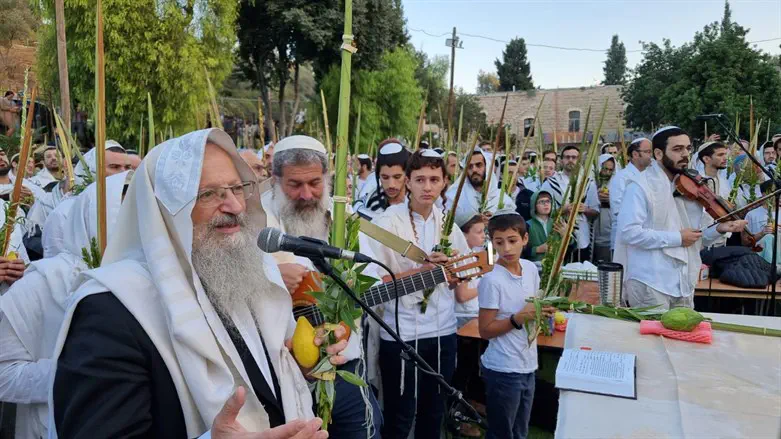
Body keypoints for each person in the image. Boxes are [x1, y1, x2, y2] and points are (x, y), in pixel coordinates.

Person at [51, 129, 335, 438]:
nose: (235, 207)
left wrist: (303, 370)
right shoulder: (109, 311)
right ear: (165, 212)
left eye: (236, 188)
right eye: (208, 194)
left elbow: (268, 388)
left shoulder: (240, 274)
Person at [259, 135, 381, 438]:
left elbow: (372, 276)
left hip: (344, 365)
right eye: (294, 185)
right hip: (284, 375)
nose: (306, 194)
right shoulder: (254, 221)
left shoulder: (343, 217)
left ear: (327, 178)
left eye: (314, 183)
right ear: (275, 180)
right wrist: (270, 275)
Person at [0, 171, 129, 438]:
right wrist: (78, 371)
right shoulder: (41, 284)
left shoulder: (161, 281)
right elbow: (4, 377)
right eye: (126, 218)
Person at [361, 149, 473, 439]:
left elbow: (458, 283)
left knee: (434, 414)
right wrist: (422, 272)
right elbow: (372, 285)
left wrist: (456, 276)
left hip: (442, 331)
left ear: (444, 183)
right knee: (400, 416)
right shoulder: (386, 224)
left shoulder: (449, 226)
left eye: (434, 179)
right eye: (420, 179)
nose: (427, 186)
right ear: (407, 182)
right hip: (401, 334)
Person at [614, 126, 746, 310]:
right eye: (677, 149)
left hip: (684, 281)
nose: (685, 154)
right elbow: (629, 233)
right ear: (658, 154)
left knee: (683, 337)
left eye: (688, 148)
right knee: (652, 339)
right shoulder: (639, 186)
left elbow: (694, 237)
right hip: (650, 282)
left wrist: (719, 229)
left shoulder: (691, 186)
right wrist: (677, 238)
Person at [477, 211, 556, 439]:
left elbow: (534, 306)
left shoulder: (530, 269)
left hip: (528, 364)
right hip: (503, 368)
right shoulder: (492, 280)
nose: (507, 249)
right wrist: (516, 319)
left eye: (512, 241)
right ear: (491, 243)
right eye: (499, 242)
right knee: (502, 432)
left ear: (525, 239)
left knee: (520, 431)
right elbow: (485, 330)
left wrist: (544, 311)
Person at [541, 145, 598, 262]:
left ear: (579, 160)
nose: (570, 160)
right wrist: (563, 210)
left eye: (574, 157)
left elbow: (596, 212)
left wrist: (585, 209)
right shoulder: (551, 182)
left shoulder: (588, 183)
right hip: (558, 234)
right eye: (567, 157)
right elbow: (540, 210)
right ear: (561, 160)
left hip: (582, 236)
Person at [446, 146, 514, 227]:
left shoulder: (503, 199)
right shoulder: (454, 197)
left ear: (487, 167)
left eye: (478, 165)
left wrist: (495, 221)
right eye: (470, 166)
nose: (474, 170)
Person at [609, 138, 652, 252]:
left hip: (647, 237)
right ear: (635, 154)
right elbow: (617, 210)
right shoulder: (622, 177)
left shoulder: (650, 176)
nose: (651, 156)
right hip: (625, 239)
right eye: (648, 152)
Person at [354, 140, 411, 220]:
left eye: (397, 177)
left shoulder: (417, 201)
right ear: (378, 175)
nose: (391, 185)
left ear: (406, 175)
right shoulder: (369, 203)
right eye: (385, 177)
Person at [455, 214, 485, 328]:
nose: (483, 236)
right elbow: (462, 295)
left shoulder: (471, 254)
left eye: (483, 231)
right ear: (464, 235)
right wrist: (485, 286)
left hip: (473, 312)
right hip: (465, 316)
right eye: (479, 232)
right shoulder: (463, 258)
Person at [587, 154, 617, 263]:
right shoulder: (590, 183)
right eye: (605, 169)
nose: (607, 173)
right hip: (592, 228)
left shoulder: (616, 184)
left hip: (607, 230)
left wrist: (610, 200)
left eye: (610, 170)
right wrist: (596, 198)